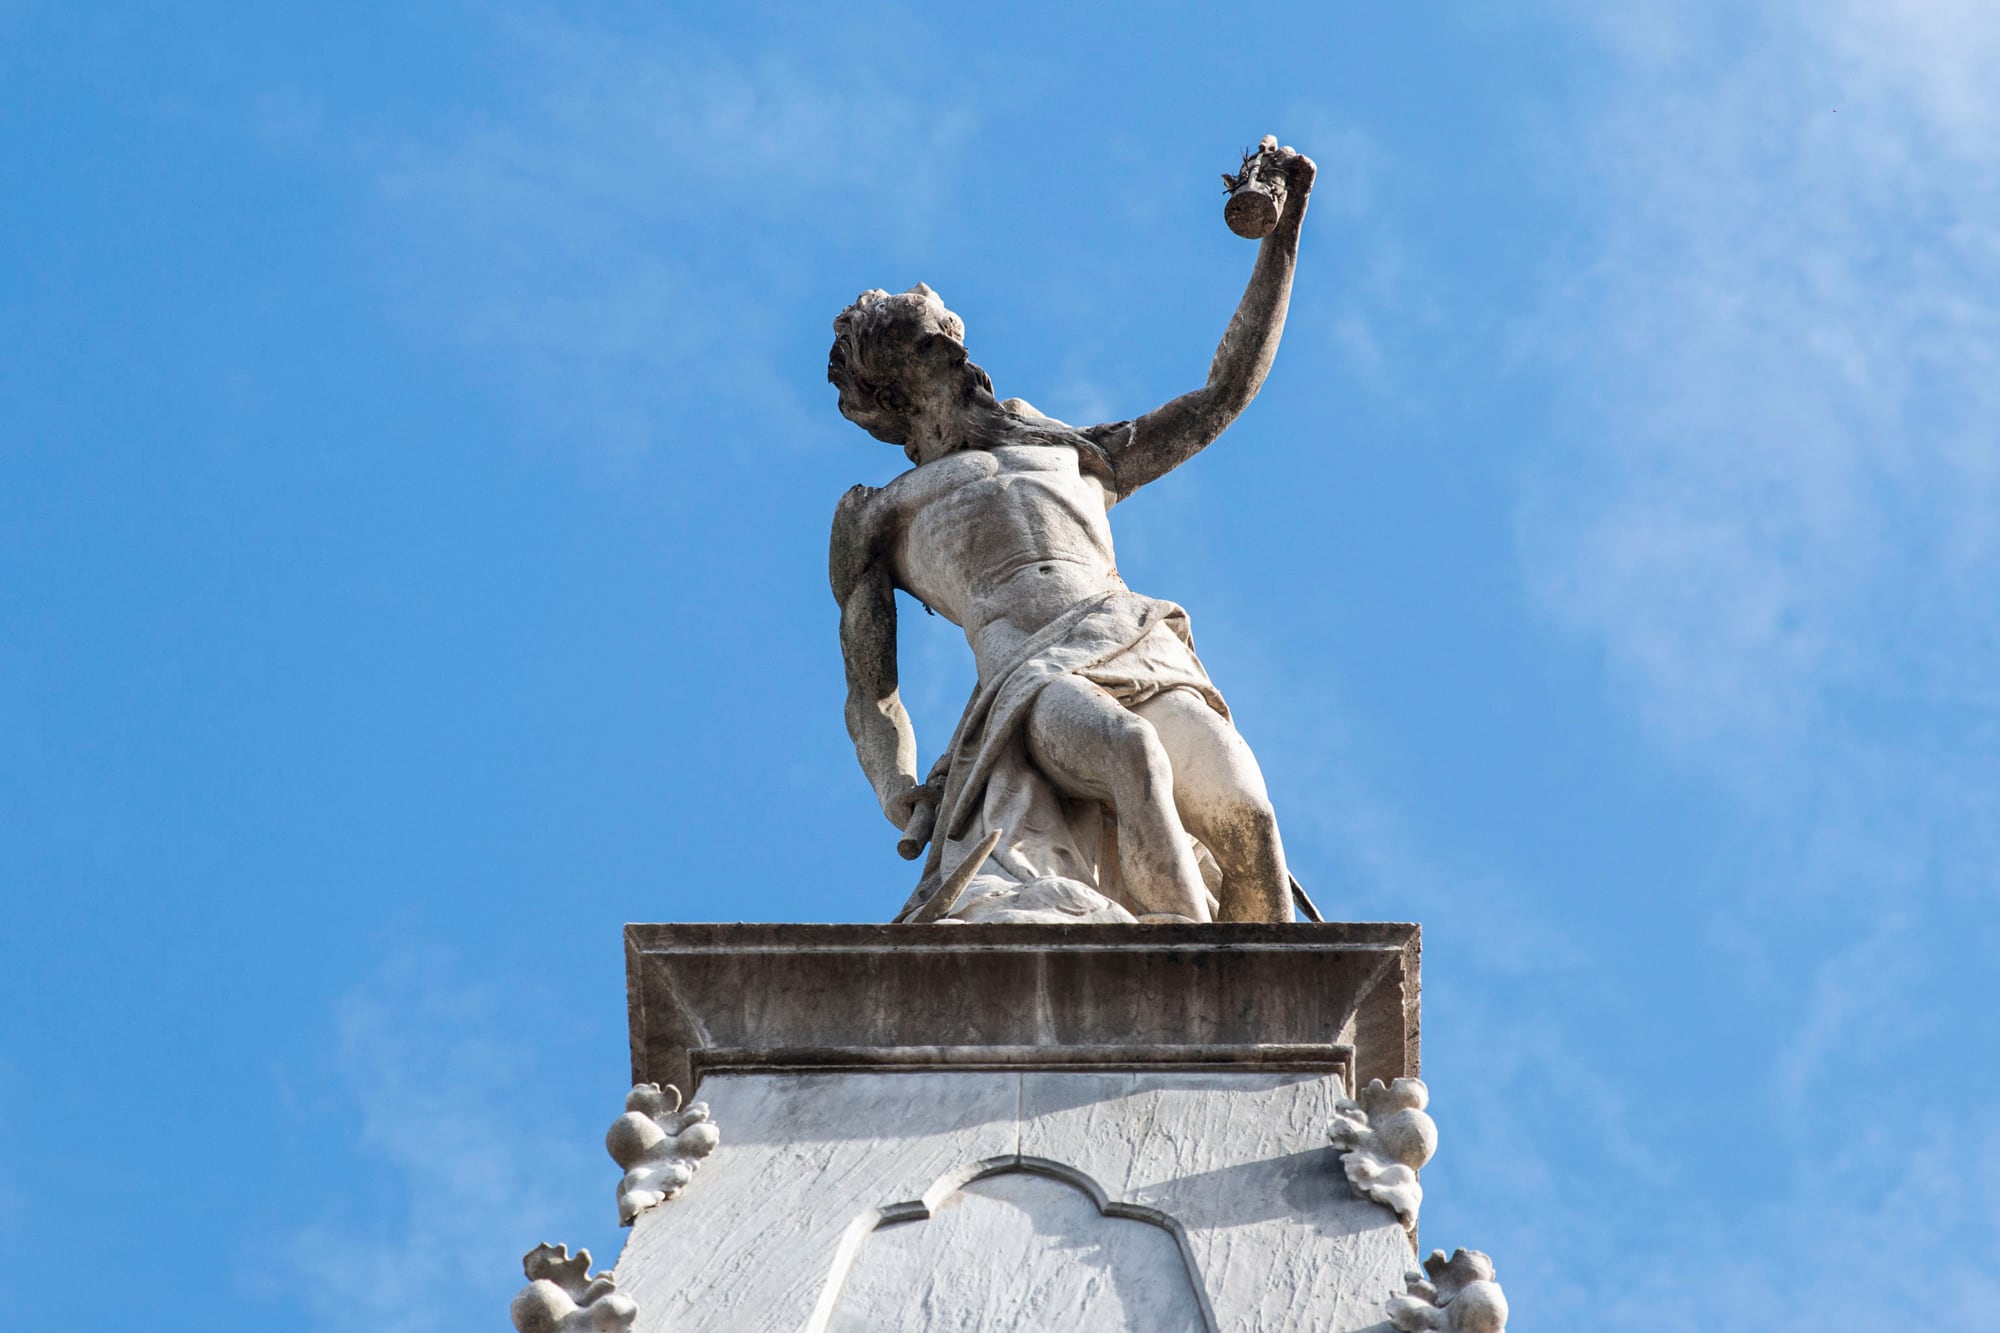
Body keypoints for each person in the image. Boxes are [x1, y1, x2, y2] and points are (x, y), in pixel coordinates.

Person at [828, 142, 1317, 924]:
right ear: (888, 384)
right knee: (1132, 756)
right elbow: (869, 689)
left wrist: (1281, 242)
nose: (960, 351)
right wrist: (900, 790)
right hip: (1029, 677)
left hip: (1137, 641)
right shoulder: (879, 511)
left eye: (955, 334)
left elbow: (1221, 395)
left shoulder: (1070, 453)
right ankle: (1192, 990)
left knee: (1251, 823)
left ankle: (1268, 1024)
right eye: (931, 342)